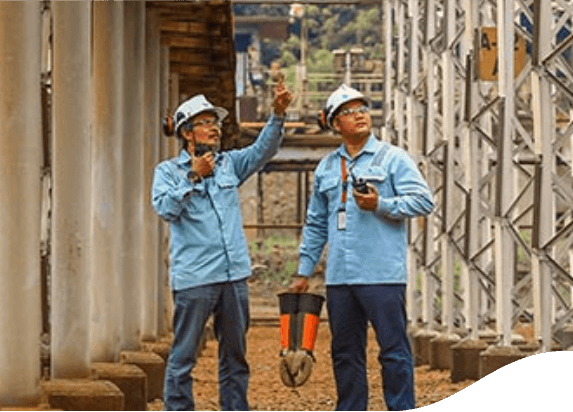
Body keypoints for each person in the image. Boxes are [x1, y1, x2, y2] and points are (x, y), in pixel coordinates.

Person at [289, 84, 435, 411]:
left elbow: (424, 201)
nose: (359, 116)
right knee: (344, 352)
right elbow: (315, 223)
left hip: (381, 274)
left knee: (394, 351)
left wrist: (381, 204)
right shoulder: (327, 168)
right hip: (340, 278)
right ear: (334, 123)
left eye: (362, 110)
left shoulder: (393, 158)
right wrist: (303, 270)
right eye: (349, 112)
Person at [153, 81, 292, 411]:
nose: (214, 128)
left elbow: (263, 151)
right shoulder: (168, 172)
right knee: (183, 355)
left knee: (235, 355)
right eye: (205, 122)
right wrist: (193, 177)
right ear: (187, 133)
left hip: (233, 277)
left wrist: (277, 115)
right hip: (196, 279)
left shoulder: (230, 164)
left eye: (214, 122)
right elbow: (166, 210)